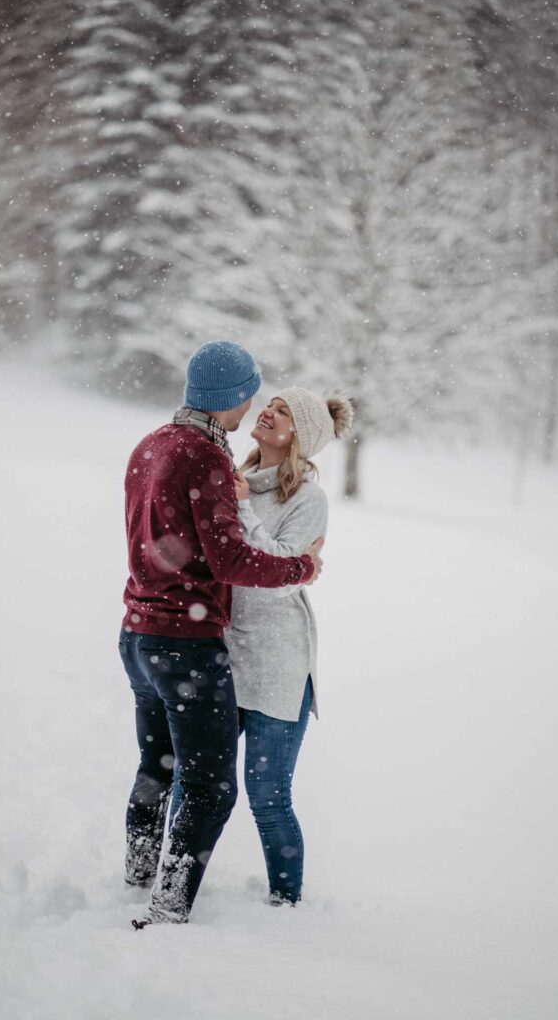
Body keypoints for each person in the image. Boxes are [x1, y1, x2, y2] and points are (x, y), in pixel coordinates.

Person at [118, 342, 324, 928]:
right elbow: (230, 559)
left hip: (137, 633)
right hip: (183, 643)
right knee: (210, 786)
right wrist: (302, 566)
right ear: (234, 396)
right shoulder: (205, 455)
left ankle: (137, 876)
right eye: (252, 394)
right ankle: (166, 907)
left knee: (158, 766)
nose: (255, 406)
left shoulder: (152, 443)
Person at [226, 387, 353, 905]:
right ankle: (172, 882)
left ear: (300, 435)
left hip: (278, 663)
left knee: (268, 797)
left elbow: (279, 575)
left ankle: (285, 907)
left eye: (283, 412)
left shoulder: (307, 500)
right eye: (270, 404)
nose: (268, 412)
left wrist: (242, 508)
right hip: (226, 651)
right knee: (198, 782)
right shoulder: (236, 478)